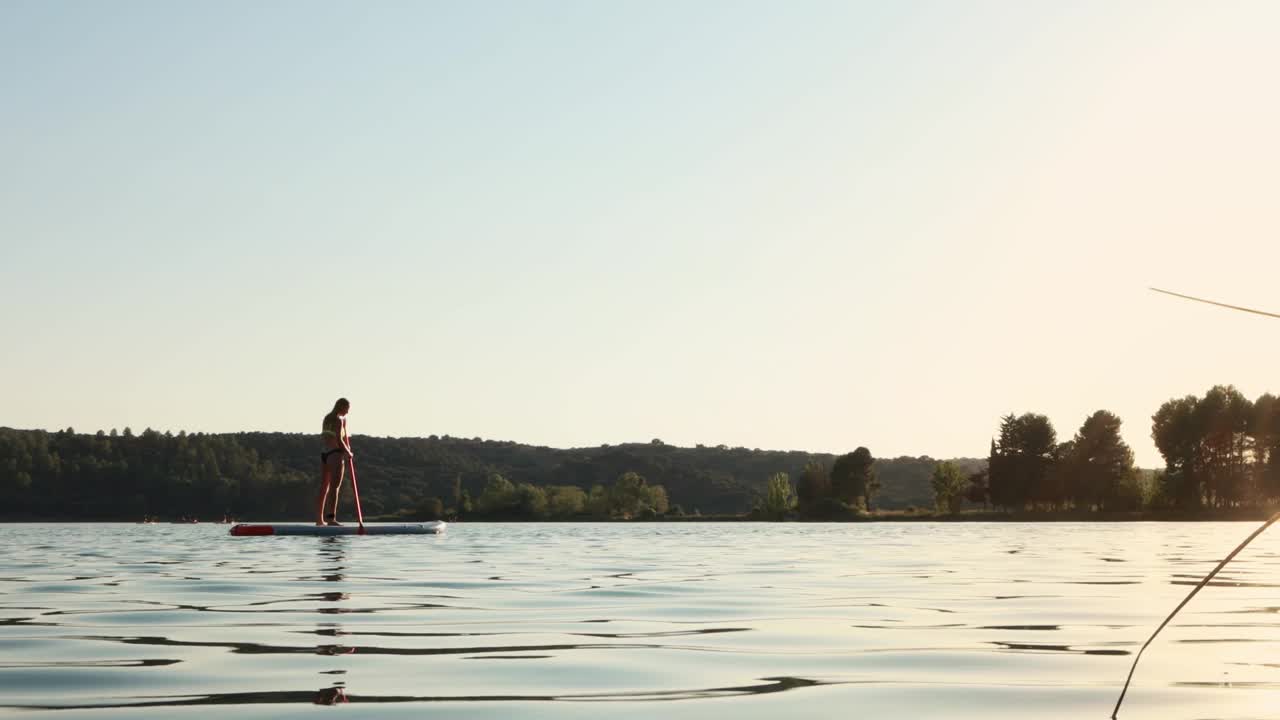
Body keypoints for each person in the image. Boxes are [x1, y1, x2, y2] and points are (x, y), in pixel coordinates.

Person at [317, 398, 353, 526]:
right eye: (347, 409)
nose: (348, 412)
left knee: (324, 487)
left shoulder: (327, 418)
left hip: (324, 454)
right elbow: (339, 439)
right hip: (335, 454)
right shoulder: (338, 420)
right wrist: (348, 452)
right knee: (334, 488)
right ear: (342, 407)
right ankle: (331, 519)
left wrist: (345, 426)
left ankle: (319, 519)